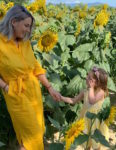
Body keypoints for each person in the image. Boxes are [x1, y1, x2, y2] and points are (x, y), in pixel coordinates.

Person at [0, 5, 61, 150]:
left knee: (36, 132)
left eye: (30, 26)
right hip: (16, 93)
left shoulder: (24, 42)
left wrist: (50, 87)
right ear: (14, 21)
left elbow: (35, 66)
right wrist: (6, 87)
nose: (28, 30)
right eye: (26, 25)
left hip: (33, 92)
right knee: (31, 136)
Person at [61, 66, 109, 150]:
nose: (86, 78)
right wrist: (61, 97)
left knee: (96, 143)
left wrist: (90, 88)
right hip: (85, 120)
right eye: (87, 76)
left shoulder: (101, 92)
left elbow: (91, 100)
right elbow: (73, 100)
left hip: (95, 121)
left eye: (89, 78)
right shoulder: (85, 91)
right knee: (86, 142)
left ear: (97, 83)